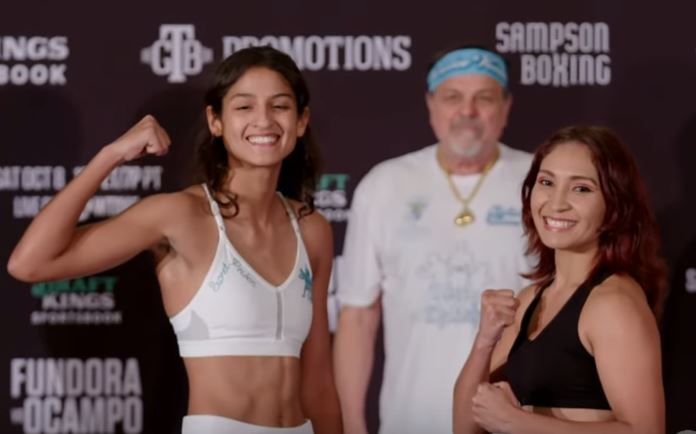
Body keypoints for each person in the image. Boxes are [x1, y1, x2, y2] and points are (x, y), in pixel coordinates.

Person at [7, 46, 342, 434]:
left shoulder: (312, 228)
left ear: (301, 121)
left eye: (280, 106)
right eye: (244, 107)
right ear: (215, 121)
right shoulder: (180, 216)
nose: (263, 120)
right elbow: (29, 263)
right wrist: (110, 156)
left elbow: (318, 381)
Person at [333, 46, 533, 434]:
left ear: (506, 107)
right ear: (431, 104)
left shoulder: (540, 181)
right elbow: (357, 317)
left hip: (515, 420)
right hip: (408, 419)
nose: (467, 112)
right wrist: (352, 424)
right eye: (452, 97)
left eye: (484, 98)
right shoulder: (384, 185)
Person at [452, 126, 667, 434]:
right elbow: (464, 426)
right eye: (546, 182)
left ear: (614, 207)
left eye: (581, 189)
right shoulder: (529, 299)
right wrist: (485, 341)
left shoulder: (613, 304)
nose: (556, 203)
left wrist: (516, 422)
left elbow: (646, 431)